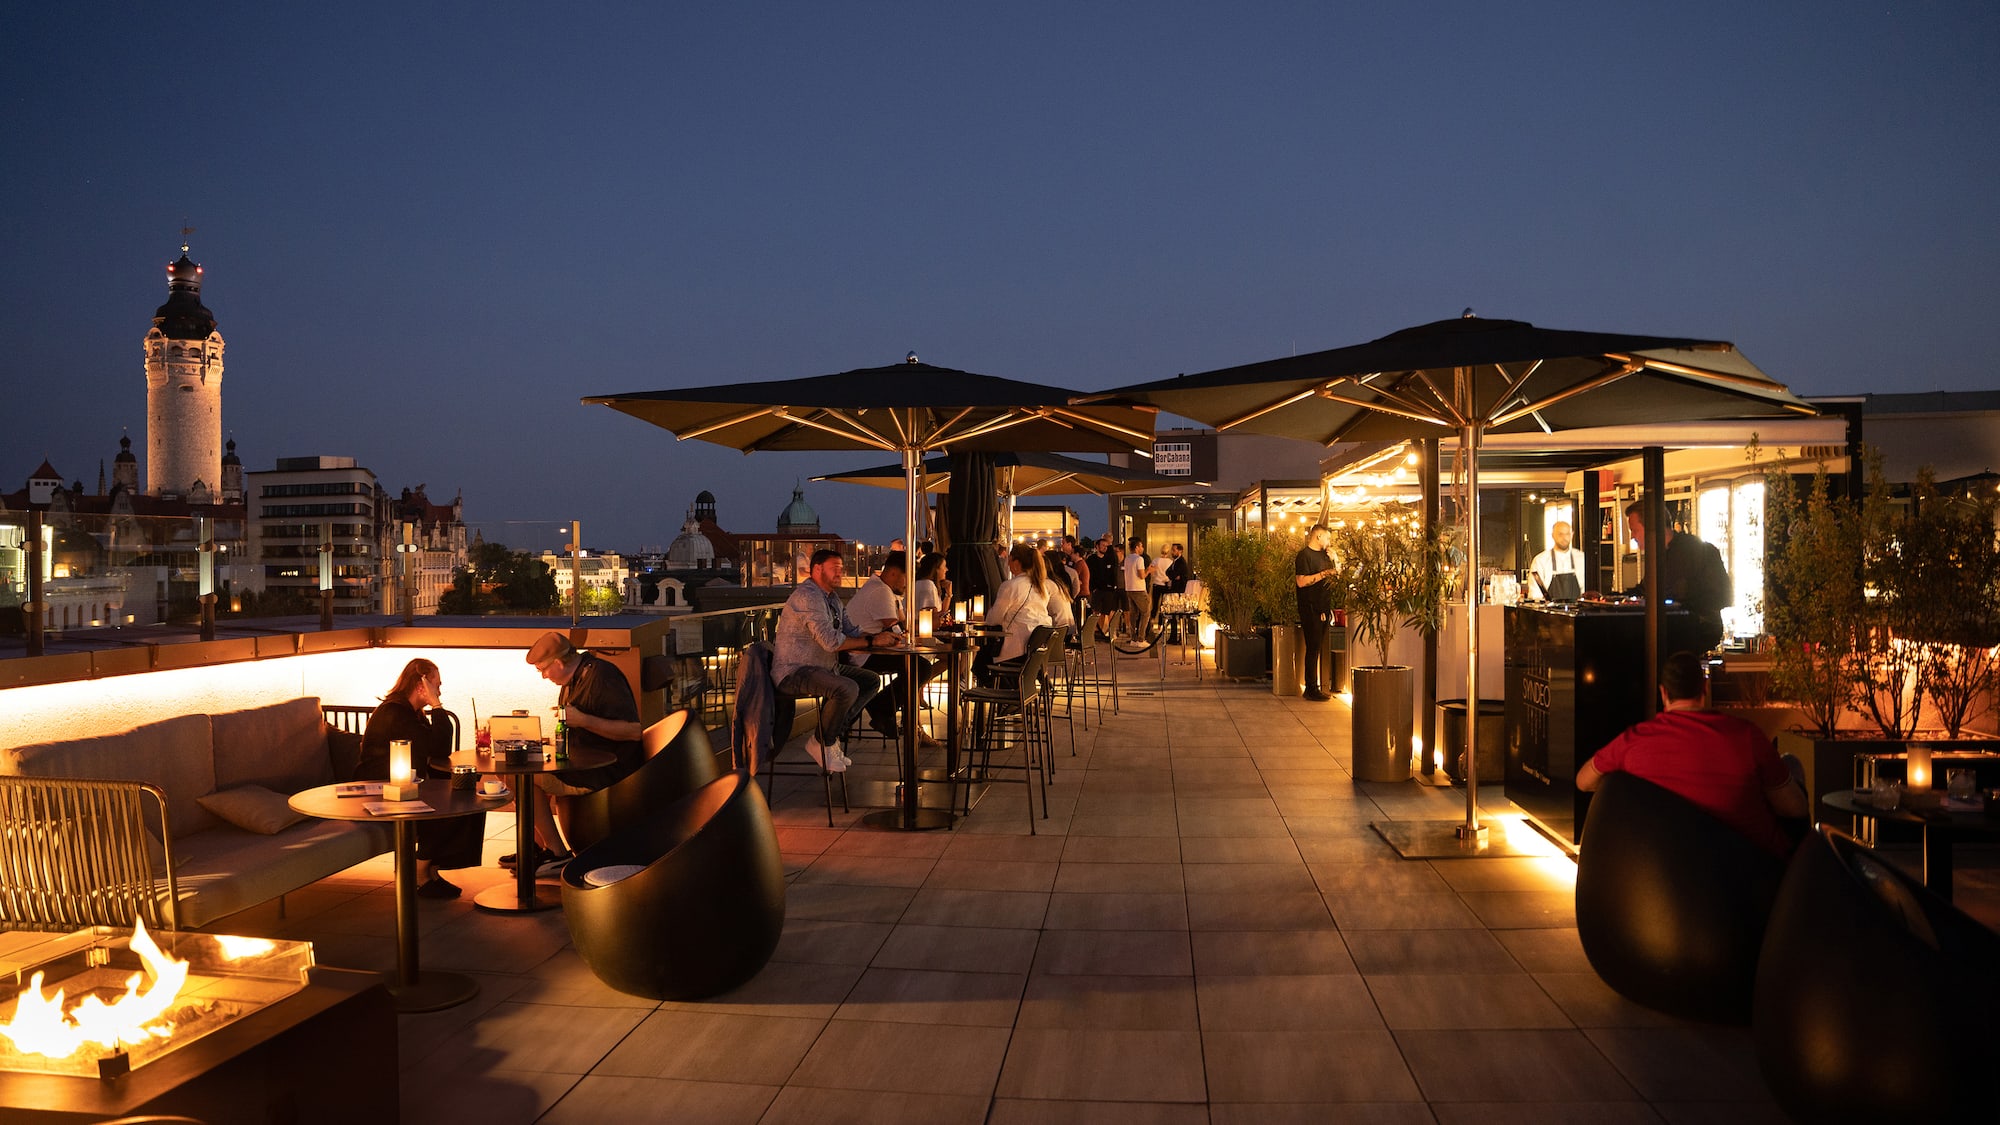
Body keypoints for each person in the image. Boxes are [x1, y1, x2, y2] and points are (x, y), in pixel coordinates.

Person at [1576, 651, 1806, 859]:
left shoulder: (1633, 742)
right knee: (1791, 764)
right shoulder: (1747, 736)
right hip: (1750, 867)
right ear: (1704, 687)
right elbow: (1795, 809)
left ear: (1663, 692)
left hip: (1667, 868)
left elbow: (1583, 781)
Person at [520, 632, 644, 876]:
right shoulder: (573, 681)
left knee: (521, 778)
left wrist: (583, 720)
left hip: (603, 772)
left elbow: (634, 732)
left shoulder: (602, 676)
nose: (543, 676)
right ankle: (537, 849)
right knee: (521, 770)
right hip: (579, 766)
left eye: (543, 670)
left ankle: (557, 854)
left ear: (558, 663)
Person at [361, 659, 485, 898]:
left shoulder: (412, 713)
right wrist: (436, 705)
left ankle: (431, 869)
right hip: (383, 789)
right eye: (436, 685)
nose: (439, 691)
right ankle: (420, 869)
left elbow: (438, 748)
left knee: (467, 792)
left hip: (405, 785)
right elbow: (439, 747)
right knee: (452, 801)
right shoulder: (395, 712)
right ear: (421, 685)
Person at [772, 548, 892, 771]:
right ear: (817, 569)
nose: (840, 573)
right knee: (846, 688)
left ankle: (828, 736)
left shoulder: (832, 598)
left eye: (841, 568)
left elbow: (851, 631)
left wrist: (883, 638)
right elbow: (830, 641)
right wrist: (872, 642)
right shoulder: (808, 596)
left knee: (870, 681)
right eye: (835, 568)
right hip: (795, 671)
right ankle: (823, 742)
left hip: (823, 667)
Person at [847, 550, 939, 746]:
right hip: (861, 654)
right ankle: (881, 708)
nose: (908, 583)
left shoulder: (884, 590)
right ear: (894, 573)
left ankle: (885, 711)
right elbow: (896, 628)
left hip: (868, 650)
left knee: (916, 666)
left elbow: (903, 626)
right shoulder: (879, 591)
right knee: (920, 667)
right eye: (907, 577)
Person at [1626, 504, 1729, 650]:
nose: (1632, 536)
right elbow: (1644, 591)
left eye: (1635, 530)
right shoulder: (1658, 556)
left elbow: (1722, 596)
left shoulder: (1698, 551)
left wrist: (1681, 606)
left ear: (1652, 527)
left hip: (1694, 634)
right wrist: (1605, 598)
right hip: (1671, 633)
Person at [986, 543, 1054, 669]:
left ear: (1016, 563)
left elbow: (993, 620)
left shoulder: (1010, 586)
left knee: (981, 661)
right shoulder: (1042, 587)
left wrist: (988, 612)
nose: (1007, 564)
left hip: (1015, 650)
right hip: (1037, 650)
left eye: (1010, 560)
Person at [1294, 524, 1338, 702]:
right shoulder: (1304, 556)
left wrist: (1336, 559)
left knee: (1317, 646)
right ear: (1318, 536)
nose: (1329, 541)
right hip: (1310, 607)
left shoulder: (1326, 556)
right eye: (1327, 537)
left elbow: (1337, 575)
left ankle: (1315, 685)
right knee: (1313, 647)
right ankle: (1311, 687)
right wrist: (1324, 573)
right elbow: (1301, 582)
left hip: (1324, 606)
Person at [1529, 520, 1587, 602]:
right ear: (1553, 535)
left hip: (1578, 609)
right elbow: (1535, 594)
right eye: (1560, 534)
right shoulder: (1540, 560)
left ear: (1572, 535)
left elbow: (1587, 592)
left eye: (1567, 534)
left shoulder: (1582, 558)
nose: (1564, 538)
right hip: (1549, 609)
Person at [1122, 537, 1152, 639]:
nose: (1142, 548)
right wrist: (1149, 570)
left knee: (1133, 614)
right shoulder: (1139, 559)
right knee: (1146, 613)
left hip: (1129, 588)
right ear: (1136, 547)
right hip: (1139, 589)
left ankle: (1133, 637)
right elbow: (1142, 575)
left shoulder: (1127, 558)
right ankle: (1141, 637)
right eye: (1141, 546)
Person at [913, 551, 949, 619]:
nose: (946, 569)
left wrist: (948, 594)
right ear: (936, 569)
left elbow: (941, 612)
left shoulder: (923, 583)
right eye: (944, 566)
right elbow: (932, 617)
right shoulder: (927, 585)